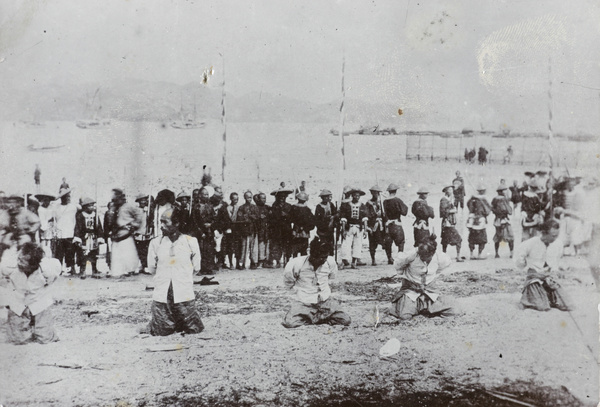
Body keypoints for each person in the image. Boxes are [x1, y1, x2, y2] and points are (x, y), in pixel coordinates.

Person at [145, 208, 204, 336]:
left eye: (165, 222)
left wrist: (180, 277)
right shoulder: (156, 243)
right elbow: (151, 268)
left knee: (192, 328)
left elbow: (196, 267)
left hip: (184, 292)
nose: (161, 226)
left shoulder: (190, 242)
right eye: (160, 222)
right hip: (162, 294)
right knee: (161, 330)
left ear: (177, 223)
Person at [282, 237, 351, 328]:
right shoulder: (297, 264)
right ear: (312, 255)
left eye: (325, 257)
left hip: (324, 301)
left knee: (345, 319)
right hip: (304, 302)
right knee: (290, 322)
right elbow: (288, 283)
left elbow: (331, 276)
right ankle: (315, 317)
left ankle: (315, 318)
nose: (323, 260)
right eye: (320, 257)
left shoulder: (330, 262)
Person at [2, 242, 61, 344]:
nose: (19, 262)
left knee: (45, 338)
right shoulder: (8, 267)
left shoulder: (48, 269)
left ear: (33, 264)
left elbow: (53, 279)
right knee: (19, 340)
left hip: (39, 301)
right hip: (18, 302)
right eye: (19, 258)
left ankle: (38, 325)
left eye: (23, 261)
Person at [388, 234, 455, 320]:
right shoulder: (411, 255)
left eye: (425, 256)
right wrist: (407, 278)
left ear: (432, 253)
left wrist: (429, 279)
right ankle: (413, 307)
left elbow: (441, 268)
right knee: (404, 315)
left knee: (452, 310)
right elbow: (398, 265)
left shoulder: (440, 257)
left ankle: (426, 309)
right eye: (421, 256)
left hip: (429, 289)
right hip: (411, 289)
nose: (422, 258)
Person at [516, 220, 571, 311]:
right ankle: (527, 300)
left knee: (567, 304)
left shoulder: (558, 244)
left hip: (549, 277)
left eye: (557, 235)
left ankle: (549, 298)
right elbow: (519, 258)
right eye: (553, 236)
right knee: (542, 306)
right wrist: (527, 268)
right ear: (544, 233)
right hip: (535, 277)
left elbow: (556, 261)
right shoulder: (531, 243)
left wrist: (554, 272)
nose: (555, 238)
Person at [109, 189, 142, 278]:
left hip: (126, 233)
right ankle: (119, 272)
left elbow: (138, 214)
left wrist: (133, 225)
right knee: (117, 255)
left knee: (128, 254)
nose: (115, 198)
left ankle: (130, 270)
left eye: (117, 196)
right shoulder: (113, 207)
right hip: (116, 233)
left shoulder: (128, 206)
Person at [73, 197, 104, 279]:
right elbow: (78, 227)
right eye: (89, 206)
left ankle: (94, 271)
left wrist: (100, 236)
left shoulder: (95, 215)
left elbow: (99, 227)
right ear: (85, 207)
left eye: (92, 206)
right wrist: (77, 237)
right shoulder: (80, 215)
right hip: (84, 237)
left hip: (93, 237)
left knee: (94, 254)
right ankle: (83, 271)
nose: (91, 207)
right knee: (83, 254)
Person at [339, 188, 368, 269]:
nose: (356, 197)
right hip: (349, 228)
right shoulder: (346, 205)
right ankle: (343, 262)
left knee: (358, 245)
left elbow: (365, 219)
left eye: (358, 195)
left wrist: (365, 230)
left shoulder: (362, 206)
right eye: (355, 195)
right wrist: (344, 230)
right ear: (352, 196)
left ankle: (354, 262)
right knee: (346, 245)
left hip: (359, 228)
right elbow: (344, 218)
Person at [52, 188, 78, 274]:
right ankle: (58, 269)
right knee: (59, 253)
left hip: (70, 232)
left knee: (70, 252)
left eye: (69, 196)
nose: (68, 198)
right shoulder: (56, 208)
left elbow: (80, 208)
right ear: (62, 198)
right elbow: (54, 219)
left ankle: (71, 268)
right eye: (66, 197)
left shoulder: (73, 207)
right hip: (60, 233)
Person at [268, 187, 294, 268]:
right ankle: (278, 260)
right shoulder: (274, 206)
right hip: (277, 229)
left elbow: (293, 218)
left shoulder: (289, 206)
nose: (282, 199)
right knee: (277, 245)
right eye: (280, 197)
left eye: (284, 197)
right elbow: (271, 219)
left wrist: (286, 215)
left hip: (286, 229)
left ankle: (287, 260)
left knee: (287, 245)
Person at [383, 183, 408, 264]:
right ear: (396, 191)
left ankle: (389, 258)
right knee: (401, 242)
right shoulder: (398, 200)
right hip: (397, 224)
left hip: (387, 225)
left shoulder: (384, 202)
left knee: (388, 243)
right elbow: (404, 212)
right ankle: (399, 258)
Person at [466, 184, 491, 259]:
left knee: (471, 239)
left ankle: (471, 254)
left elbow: (469, 206)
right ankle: (479, 254)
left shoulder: (472, 199)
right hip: (481, 220)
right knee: (482, 239)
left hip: (472, 219)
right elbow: (488, 211)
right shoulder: (484, 200)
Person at [233, 191, 257, 269]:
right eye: (247, 197)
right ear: (244, 198)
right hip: (244, 230)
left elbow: (257, 217)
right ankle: (241, 263)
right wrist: (246, 219)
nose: (249, 199)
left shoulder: (254, 207)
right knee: (243, 247)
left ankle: (253, 262)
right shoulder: (241, 207)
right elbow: (239, 218)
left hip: (252, 229)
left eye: (250, 197)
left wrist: (249, 216)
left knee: (252, 247)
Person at [439, 186, 463, 262]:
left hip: (451, 221)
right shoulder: (444, 200)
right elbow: (442, 211)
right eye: (449, 190)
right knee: (457, 239)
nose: (451, 191)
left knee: (445, 240)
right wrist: (452, 211)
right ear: (446, 191)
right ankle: (457, 256)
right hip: (447, 222)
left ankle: (444, 256)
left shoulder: (451, 199)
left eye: (452, 189)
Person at [492, 184, 514, 258]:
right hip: (505, 219)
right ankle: (511, 253)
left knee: (497, 237)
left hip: (497, 220)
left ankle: (496, 253)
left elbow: (492, 208)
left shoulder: (494, 199)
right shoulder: (505, 199)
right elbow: (509, 211)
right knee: (510, 236)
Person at [289, 192, 315, 258]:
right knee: (302, 249)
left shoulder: (294, 208)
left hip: (298, 231)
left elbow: (290, 218)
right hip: (303, 231)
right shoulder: (307, 209)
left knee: (296, 249)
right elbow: (312, 221)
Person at [365, 185, 385, 266]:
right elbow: (367, 214)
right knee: (372, 243)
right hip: (373, 225)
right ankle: (373, 259)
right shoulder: (368, 203)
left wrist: (383, 214)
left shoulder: (382, 203)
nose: (376, 194)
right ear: (371, 193)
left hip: (381, 225)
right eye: (374, 193)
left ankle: (389, 257)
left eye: (377, 193)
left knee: (384, 240)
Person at [134, 194, 154, 274]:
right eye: (141, 200)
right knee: (137, 250)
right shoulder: (136, 210)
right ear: (138, 202)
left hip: (146, 233)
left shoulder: (148, 210)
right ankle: (137, 266)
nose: (143, 202)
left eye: (145, 200)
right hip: (138, 233)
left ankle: (145, 266)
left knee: (145, 251)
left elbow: (151, 221)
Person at [314, 189, 337, 256]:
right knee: (323, 244)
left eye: (328, 196)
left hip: (330, 229)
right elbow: (317, 219)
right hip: (322, 229)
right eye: (325, 197)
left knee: (330, 244)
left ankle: (331, 257)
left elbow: (335, 213)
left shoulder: (331, 204)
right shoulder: (319, 206)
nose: (327, 198)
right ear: (322, 198)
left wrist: (334, 217)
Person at [252, 192, 270, 268]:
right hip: (258, 229)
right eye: (262, 198)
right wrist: (259, 217)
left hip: (266, 229)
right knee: (259, 245)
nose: (264, 200)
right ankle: (259, 261)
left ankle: (266, 261)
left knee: (266, 245)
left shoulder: (267, 207)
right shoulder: (254, 208)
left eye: (265, 198)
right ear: (258, 199)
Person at [221, 192, 239, 269]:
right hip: (229, 230)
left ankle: (238, 263)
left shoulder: (239, 208)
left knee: (238, 247)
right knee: (230, 247)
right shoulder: (227, 208)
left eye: (237, 198)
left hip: (237, 230)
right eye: (234, 198)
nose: (236, 200)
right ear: (231, 199)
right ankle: (231, 263)